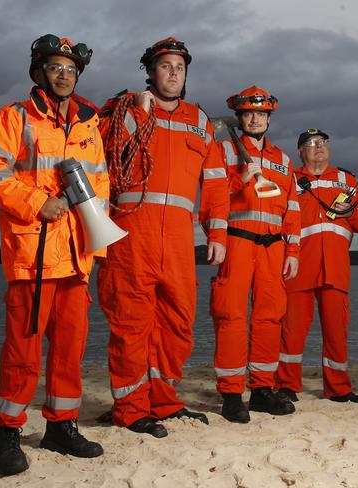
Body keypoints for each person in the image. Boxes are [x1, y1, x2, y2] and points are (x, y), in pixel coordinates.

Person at [0, 34, 106, 476]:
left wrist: (97, 248)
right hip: (33, 252)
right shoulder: (14, 116)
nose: (63, 74)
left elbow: (99, 189)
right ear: (39, 73)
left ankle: (60, 427)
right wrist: (36, 202)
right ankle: (8, 433)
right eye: (54, 67)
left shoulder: (90, 124)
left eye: (70, 69)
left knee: (70, 349)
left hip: (75, 257)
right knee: (23, 351)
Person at [96, 37, 230, 438]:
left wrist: (217, 232)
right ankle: (131, 407)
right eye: (166, 65)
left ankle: (163, 400)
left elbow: (217, 182)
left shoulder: (200, 121)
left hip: (178, 236)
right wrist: (135, 113)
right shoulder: (125, 111)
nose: (173, 72)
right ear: (151, 71)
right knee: (131, 322)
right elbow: (98, 154)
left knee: (178, 320)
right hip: (131, 228)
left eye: (180, 67)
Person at [211, 86, 301, 423]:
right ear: (239, 116)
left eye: (260, 114)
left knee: (269, 317)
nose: (254, 118)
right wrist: (238, 179)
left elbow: (292, 210)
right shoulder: (222, 151)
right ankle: (232, 394)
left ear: (268, 118)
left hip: (274, 247)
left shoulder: (283, 160)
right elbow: (212, 196)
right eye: (248, 113)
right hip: (236, 242)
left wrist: (293, 249)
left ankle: (262, 389)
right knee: (231, 317)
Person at [275, 128, 358, 405]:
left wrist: (350, 211)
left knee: (337, 332)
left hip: (336, 270)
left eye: (324, 142)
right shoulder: (289, 179)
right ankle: (286, 385)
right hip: (297, 267)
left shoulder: (346, 179)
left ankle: (338, 388)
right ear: (300, 152)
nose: (319, 147)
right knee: (290, 332)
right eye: (311, 143)